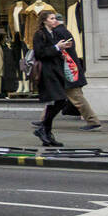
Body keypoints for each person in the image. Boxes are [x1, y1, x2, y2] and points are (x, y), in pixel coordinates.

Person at [33, 22, 102, 132]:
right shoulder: (63, 31)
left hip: (66, 72)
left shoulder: (57, 33)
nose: (52, 21)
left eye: (53, 19)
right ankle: (44, 120)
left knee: (76, 97)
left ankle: (93, 121)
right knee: (56, 98)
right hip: (67, 70)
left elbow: (57, 52)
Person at [31, 10, 72, 147]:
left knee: (59, 101)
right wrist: (56, 47)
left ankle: (45, 131)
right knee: (60, 100)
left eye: (55, 18)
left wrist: (62, 48)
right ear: (44, 21)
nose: (55, 20)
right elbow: (40, 53)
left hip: (55, 72)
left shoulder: (53, 33)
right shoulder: (39, 34)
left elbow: (53, 51)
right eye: (52, 18)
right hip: (47, 73)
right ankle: (44, 129)